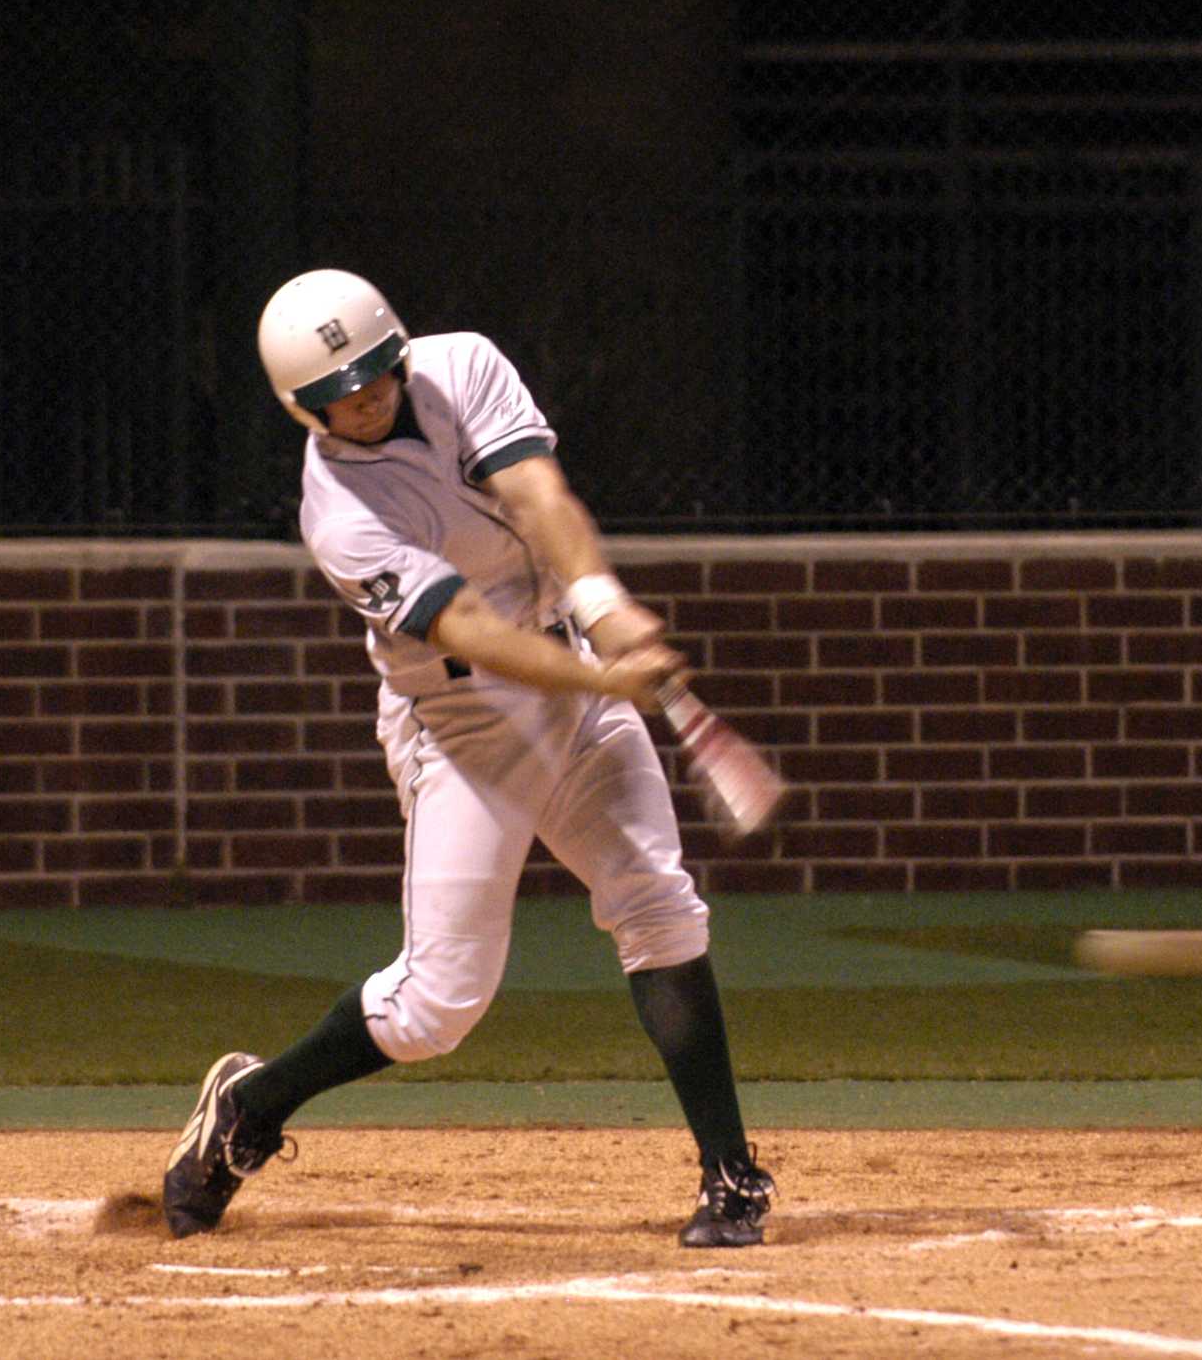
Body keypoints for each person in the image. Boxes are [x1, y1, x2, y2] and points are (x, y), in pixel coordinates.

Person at [161, 269, 774, 1248]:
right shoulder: (337, 513)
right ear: (299, 407)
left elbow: (538, 494)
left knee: (656, 903)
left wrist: (604, 606)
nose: (365, 398)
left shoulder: (461, 366)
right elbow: (469, 629)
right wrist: (598, 682)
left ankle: (731, 1173)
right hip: (460, 725)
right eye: (337, 392)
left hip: (566, 674)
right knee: (434, 1004)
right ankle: (251, 1105)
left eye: (375, 373)